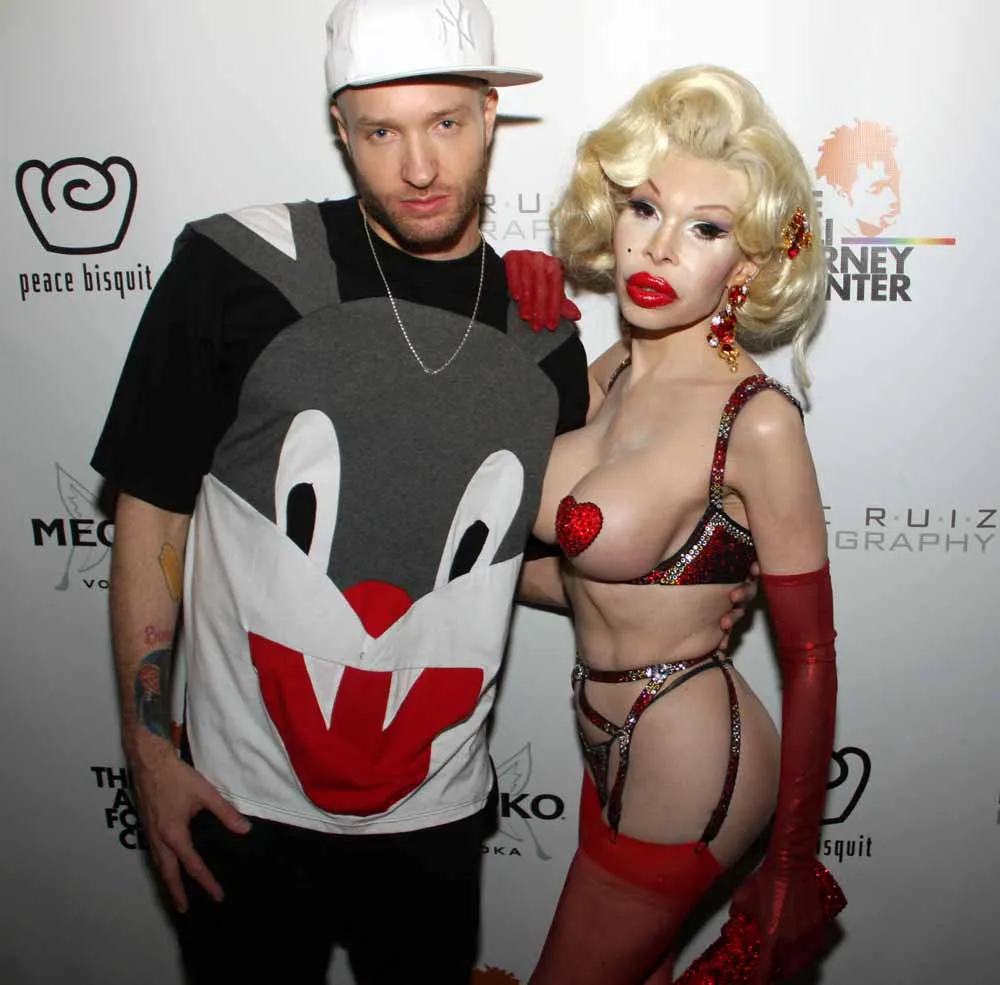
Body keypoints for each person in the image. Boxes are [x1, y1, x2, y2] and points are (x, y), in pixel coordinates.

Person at [90, 3, 753, 982]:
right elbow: (152, 509)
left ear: (489, 115)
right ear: (341, 130)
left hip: (436, 817)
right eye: (380, 131)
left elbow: (514, 561)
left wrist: (667, 596)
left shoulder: (542, 336)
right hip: (238, 805)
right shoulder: (232, 268)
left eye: (444, 122)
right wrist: (150, 755)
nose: (417, 166)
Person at [518, 66, 844, 985]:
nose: (658, 249)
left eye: (706, 229)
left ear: (749, 266)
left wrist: (792, 860)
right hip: (603, 736)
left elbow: (810, 656)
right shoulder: (611, 368)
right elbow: (575, 572)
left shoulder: (757, 420)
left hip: (692, 751)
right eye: (644, 209)